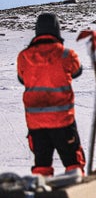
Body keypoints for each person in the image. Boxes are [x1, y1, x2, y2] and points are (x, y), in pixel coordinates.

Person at [16, 13, 85, 176]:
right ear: (57, 30)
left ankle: (41, 196)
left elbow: (21, 79)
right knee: (73, 163)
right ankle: (78, 192)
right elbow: (77, 71)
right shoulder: (66, 55)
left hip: (36, 124)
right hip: (63, 121)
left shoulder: (24, 56)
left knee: (41, 164)